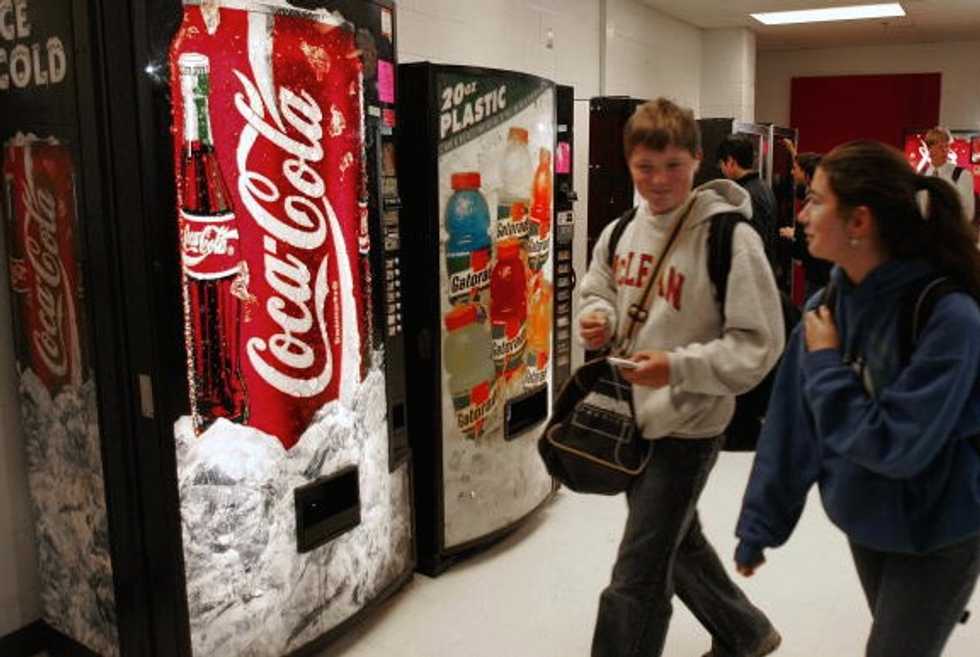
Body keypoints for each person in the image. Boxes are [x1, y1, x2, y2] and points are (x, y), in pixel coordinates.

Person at [734, 140, 980, 657]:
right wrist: (761, 525)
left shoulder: (949, 316)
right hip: (866, 519)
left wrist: (827, 362)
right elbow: (791, 426)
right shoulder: (826, 308)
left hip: (940, 528)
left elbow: (897, 445)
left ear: (859, 221)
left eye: (816, 200)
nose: (802, 214)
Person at [577, 98, 785, 657]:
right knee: (676, 540)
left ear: (698, 159)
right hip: (631, 420)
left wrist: (677, 366)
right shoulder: (620, 230)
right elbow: (597, 288)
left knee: (637, 574)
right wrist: (597, 318)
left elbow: (760, 343)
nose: (659, 180)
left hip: (690, 426)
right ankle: (746, 633)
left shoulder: (729, 238)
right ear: (628, 164)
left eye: (673, 165)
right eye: (645, 167)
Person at [778, 146, 832, 300]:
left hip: (818, 278)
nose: (802, 216)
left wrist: (795, 236)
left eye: (795, 168)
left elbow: (803, 251)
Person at [717, 134, 778, 267]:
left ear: (730, 162)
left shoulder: (742, 196)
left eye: (721, 164)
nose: (721, 169)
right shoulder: (764, 187)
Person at [921, 126, 975, 226]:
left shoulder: (961, 175)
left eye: (947, 146)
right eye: (940, 146)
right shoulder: (922, 176)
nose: (945, 150)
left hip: (952, 231)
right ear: (929, 149)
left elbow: (968, 212)